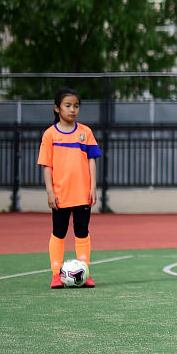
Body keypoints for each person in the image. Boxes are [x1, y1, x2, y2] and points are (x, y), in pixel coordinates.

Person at [38, 87, 102, 289]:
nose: (72, 110)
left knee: (82, 233)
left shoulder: (85, 132)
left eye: (76, 106)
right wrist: (50, 191)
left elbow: (92, 161)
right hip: (60, 195)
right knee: (59, 233)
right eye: (68, 105)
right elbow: (47, 165)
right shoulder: (50, 135)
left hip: (82, 194)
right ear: (57, 108)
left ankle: (85, 273)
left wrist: (93, 188)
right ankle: (56, 275)